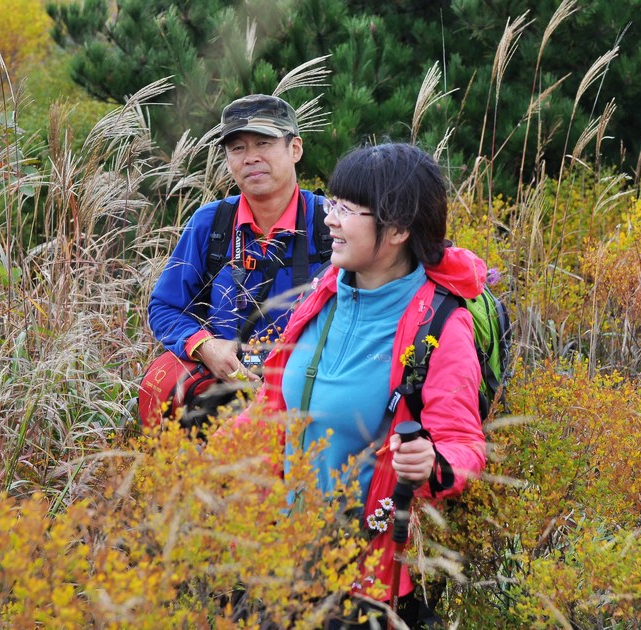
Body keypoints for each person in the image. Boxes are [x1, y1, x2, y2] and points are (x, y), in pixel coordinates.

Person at [232, 143, 487, 626]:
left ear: (397, 229)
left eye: (347, 209)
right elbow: (274, 401)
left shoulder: (439, 326)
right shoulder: (323, 294)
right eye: (331, 203)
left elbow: (464, 445)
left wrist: (433, 462)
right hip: (275, 563)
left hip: (360, 585)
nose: (329, 219)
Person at [146, 94, 331, 388]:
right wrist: (205, 346)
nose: (250, 157)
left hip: (313, 390)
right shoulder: (210, 223)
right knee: (162, 383)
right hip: (225, 388)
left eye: (263, 143)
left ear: (295, 148)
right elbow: (164, 307)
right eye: (237, 148)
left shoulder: (330, 222)